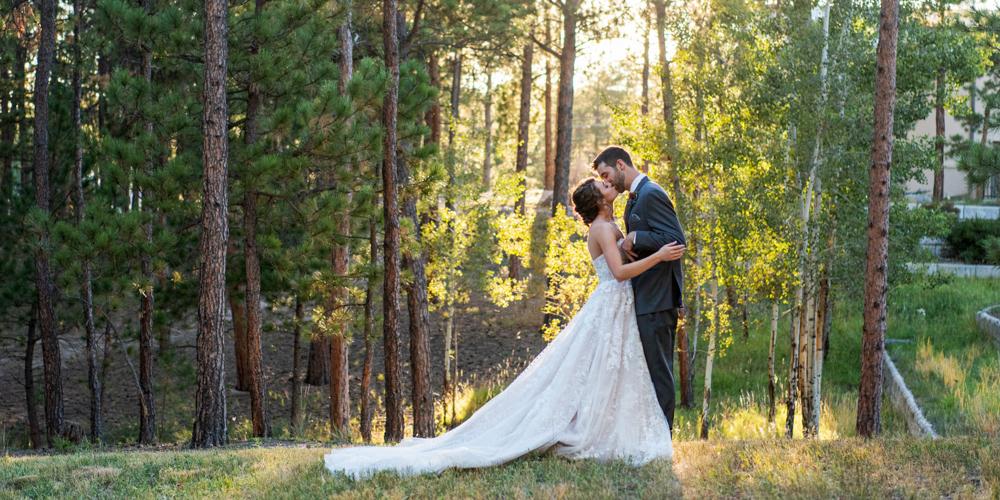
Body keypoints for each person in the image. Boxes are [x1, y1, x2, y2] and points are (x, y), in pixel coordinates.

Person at [323, 176, 685, 478]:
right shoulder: (603, 228)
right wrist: (658, 256)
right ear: (599, 201)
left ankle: (612, 425)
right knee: (595, 367)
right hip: (610, 303)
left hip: (617, 306)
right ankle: (588, 430)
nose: (609, 184)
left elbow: (622, 257)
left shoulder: (610, 225)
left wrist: (633, 242)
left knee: (612, 371)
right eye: (602, 185)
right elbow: (619, 272)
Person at [593, 146, 686, 433]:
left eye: (606, 174)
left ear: (620, 164)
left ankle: (663, 438)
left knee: (659, 372)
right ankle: (651, 435)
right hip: (645, 297)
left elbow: (676, 240)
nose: (607, 182)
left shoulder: (651, 193)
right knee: (649, 371)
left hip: (657, 298)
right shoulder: (633, 200)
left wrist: (636, 236)